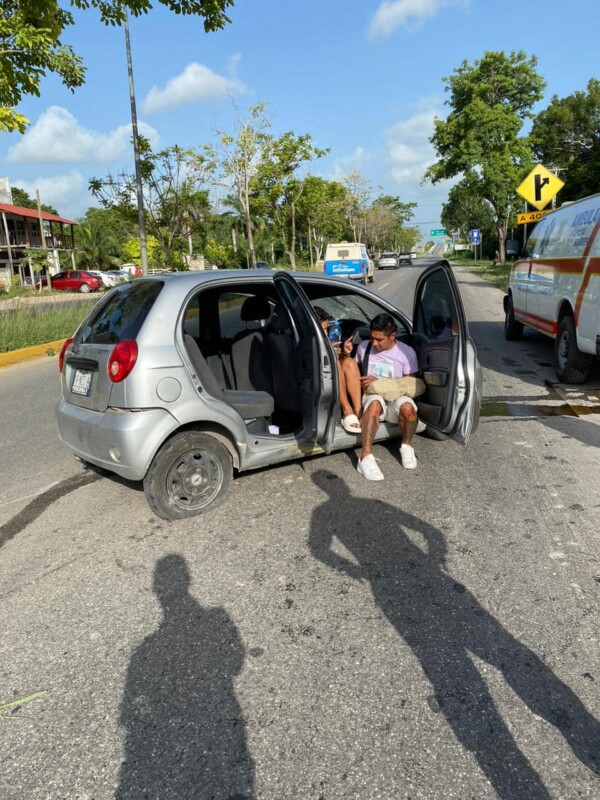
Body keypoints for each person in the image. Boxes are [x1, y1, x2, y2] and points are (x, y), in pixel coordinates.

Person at [355, 312, 420, 480]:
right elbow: (352, 374)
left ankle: (406, 446)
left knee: (408, 408)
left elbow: (410, 383)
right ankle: (365, 457)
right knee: (374, 404)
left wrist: (381, 382)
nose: (374, 343)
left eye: (379, 340)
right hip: (372, 395)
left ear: (392, 336)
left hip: (396, 396)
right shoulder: (363, 347)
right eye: (372, 338)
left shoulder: (406, 352)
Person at [314, 307, 362, 433]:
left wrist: (343, 354)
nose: (326, 333)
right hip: (317, 380)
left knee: (349, 362)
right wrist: (332, 356)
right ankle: (347, 410)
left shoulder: (324, 340)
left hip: (328, 375)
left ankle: (358, 411)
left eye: (327, 329)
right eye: (323, 329)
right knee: (335, 363)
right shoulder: (309, 343)